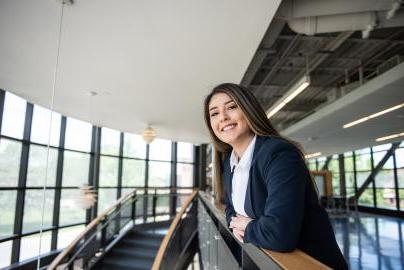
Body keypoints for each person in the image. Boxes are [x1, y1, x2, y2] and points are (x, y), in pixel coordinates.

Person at [203, 83, 348, 270]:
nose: (222, 117)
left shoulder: (279, 154)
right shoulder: (229, 163)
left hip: (307, 263)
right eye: (214, 113)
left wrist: (248, 228)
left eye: (231, 107)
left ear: (248, 110)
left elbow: (279, 235)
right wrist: (250, 225)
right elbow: (231, 209)